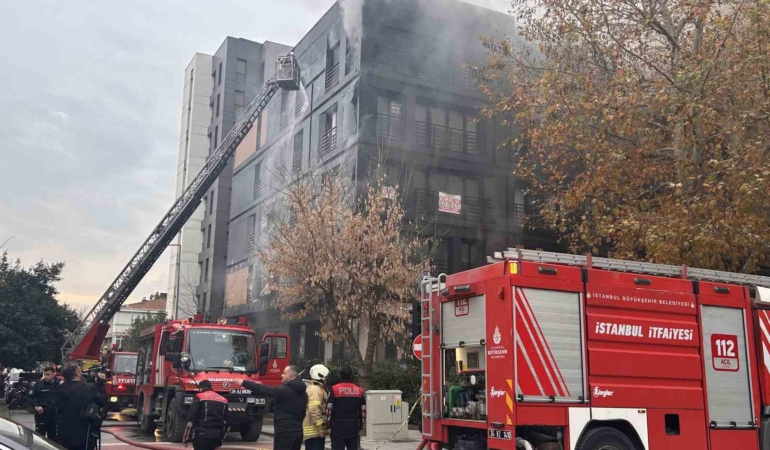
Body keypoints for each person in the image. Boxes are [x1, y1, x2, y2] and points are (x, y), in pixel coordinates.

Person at [238, 365, 307, 450]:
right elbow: (303, 412)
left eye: (284, 373)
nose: (281, 375)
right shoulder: (304, 394)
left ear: (290, 376)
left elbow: (263, 389)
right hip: (298, 432)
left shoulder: (284, 391)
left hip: (284, 432)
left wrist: (244, 382)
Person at [56, 362, 107, 450]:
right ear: (77, 373)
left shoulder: (59, 388)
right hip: (83, 433)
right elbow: (102, 401)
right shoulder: (88, 389)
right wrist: (101, 384)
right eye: (79, 370)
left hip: (62, 431)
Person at [326, 366, 366, 450]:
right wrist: (360, 427)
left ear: (340, 376)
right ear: (351, 376)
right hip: (353, 427)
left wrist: (328, 425)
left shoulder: (334, 389)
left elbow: (328, 409)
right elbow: (363, 410)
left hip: (337, 427)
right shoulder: (359, 390)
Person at [183, 380, 228, 450]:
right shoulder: (224, 400)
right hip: (216, 436)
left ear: (201, 388)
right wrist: (220, 442)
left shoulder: (199, 396)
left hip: (201, 435)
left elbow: (191, 418)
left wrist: (185, 439)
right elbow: (226, 423)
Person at [303, 364, 329, 450]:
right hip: (314, 432)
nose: (326, 379)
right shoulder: (315, 390)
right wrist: (321, 428)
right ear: (320, 376)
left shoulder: (315, 388)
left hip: (313, 431)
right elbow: (314, 409)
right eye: (325, 377)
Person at [31, 366, 58, 440]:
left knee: (54, 439)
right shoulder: (38, 385)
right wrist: (36, 407)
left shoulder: (59, 385)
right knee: (40, 438)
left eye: (48, 375)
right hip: (41, 415)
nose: (45, 377)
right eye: (44, 374)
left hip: (55, 416)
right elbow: (30, 398)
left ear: (53, 374)